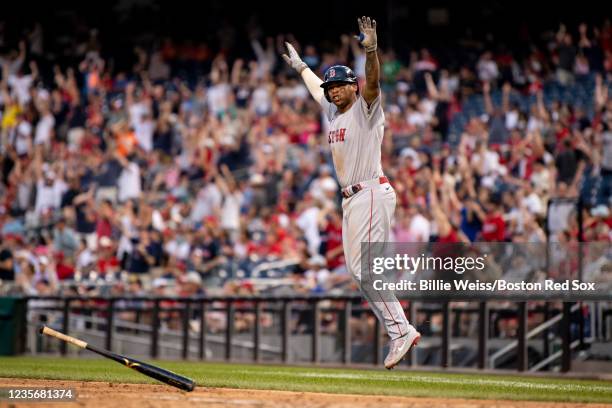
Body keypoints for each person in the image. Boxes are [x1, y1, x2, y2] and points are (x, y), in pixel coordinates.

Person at [282, 16, 420, 369]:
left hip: (371, 190)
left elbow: (372, 81)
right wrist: (301, 68)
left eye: (341, 85)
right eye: (332, 88)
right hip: (352, 198)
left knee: (365, 269)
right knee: (358, 274)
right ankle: (398, 330)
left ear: (353, 87)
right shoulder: (332, 111)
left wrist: (371, 50)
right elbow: (316, 89)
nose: (334, 91)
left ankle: (401, 331)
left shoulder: (366, 109)